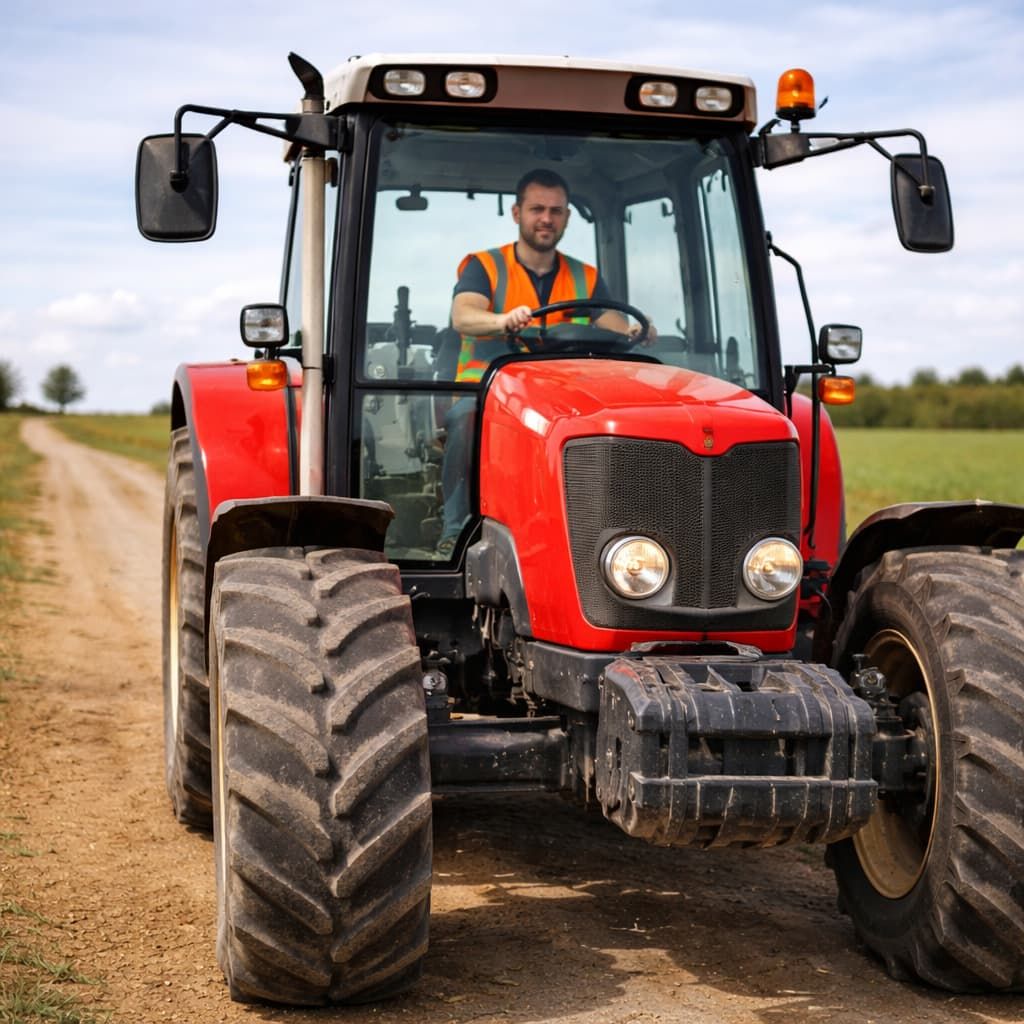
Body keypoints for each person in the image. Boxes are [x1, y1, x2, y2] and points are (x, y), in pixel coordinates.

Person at [438, 168, 652, 557]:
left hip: (558, 395)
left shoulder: (584, 276)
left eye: (556, 210)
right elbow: (463, 315)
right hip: (489, 391)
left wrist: (639, 328)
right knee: (467, 420)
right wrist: (502, 321)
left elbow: (613, 324)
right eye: (537, 209)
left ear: (567, 217)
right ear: (517, 213)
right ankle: (455, 531)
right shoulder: (484, 267)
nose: (547, 218)